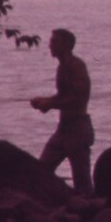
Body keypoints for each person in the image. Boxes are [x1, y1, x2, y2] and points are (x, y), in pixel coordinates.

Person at [30, 28, 94, 195]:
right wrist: (47, 100)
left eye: (54, 42)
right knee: (41, 170)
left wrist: (50, 104)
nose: (50, 45)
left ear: (66, 45)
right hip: (64, 128)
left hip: (78, 129)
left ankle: (85, 210)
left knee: (82, 181)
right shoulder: (62, 67)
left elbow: (79, 98)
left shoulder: (77, 66)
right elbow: (64, 95)